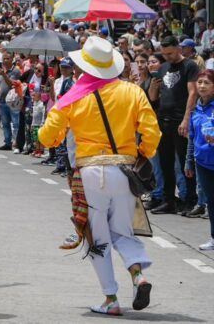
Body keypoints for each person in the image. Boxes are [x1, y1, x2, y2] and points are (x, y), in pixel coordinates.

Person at [38, 36, 161, 315]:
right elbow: (152, 133)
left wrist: (58, 128)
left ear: (84, 66)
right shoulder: (132, 91)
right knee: (123, 231)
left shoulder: (72, 97)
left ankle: (110, 298)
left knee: (97, 236)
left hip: (90, 172)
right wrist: (142, 153)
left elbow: (47, 138)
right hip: (125, 170)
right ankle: (138, 275)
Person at [148, 36, 199, 213]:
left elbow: (192, 94)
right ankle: (169, 200)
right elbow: (155, 97)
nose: (167, 57)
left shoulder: (190, 66)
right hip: (163, 120)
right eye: (164, 54)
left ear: (178, 48)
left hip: (180, 120)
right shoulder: (163, 68)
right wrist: (153, 89)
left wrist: (186, 119)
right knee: (165, 163)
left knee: (185, 162)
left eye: (170, 53)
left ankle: (190, 200)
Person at [184, 69, 214, 248]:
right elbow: (192, 138)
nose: (202, 86)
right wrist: (189, 161)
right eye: (200, 82)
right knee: (211, 202)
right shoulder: (195, 108)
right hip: (202, 163)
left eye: (207, 83)